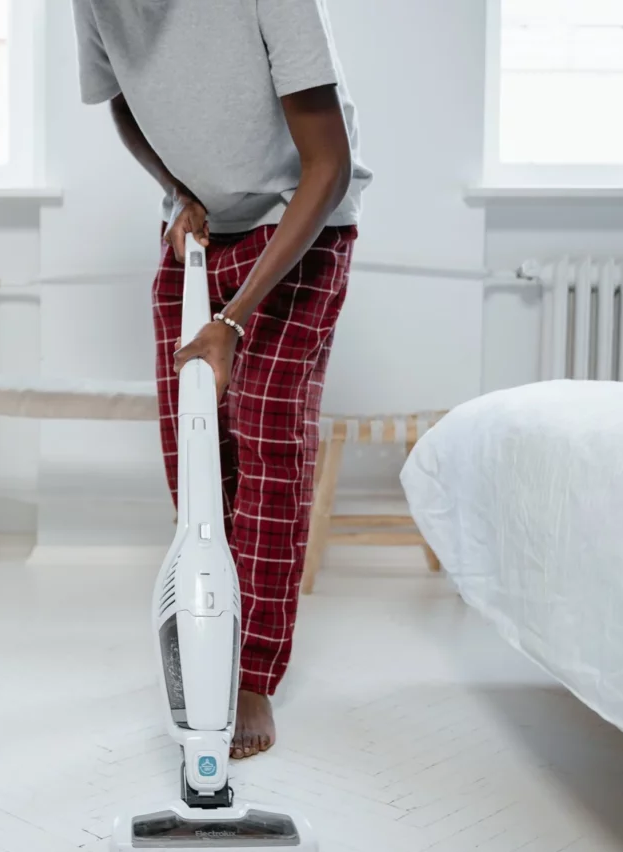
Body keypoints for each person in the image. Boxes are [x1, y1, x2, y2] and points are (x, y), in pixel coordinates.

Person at [72, 0, 372, 758]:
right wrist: (178, 186)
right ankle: (210, 631)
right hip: (205, 229)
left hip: (302, 222)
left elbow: (328, 167)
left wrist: (233, 321)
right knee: (194, 450)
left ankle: (253, 674)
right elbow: (119, 101)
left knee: (267, 438)